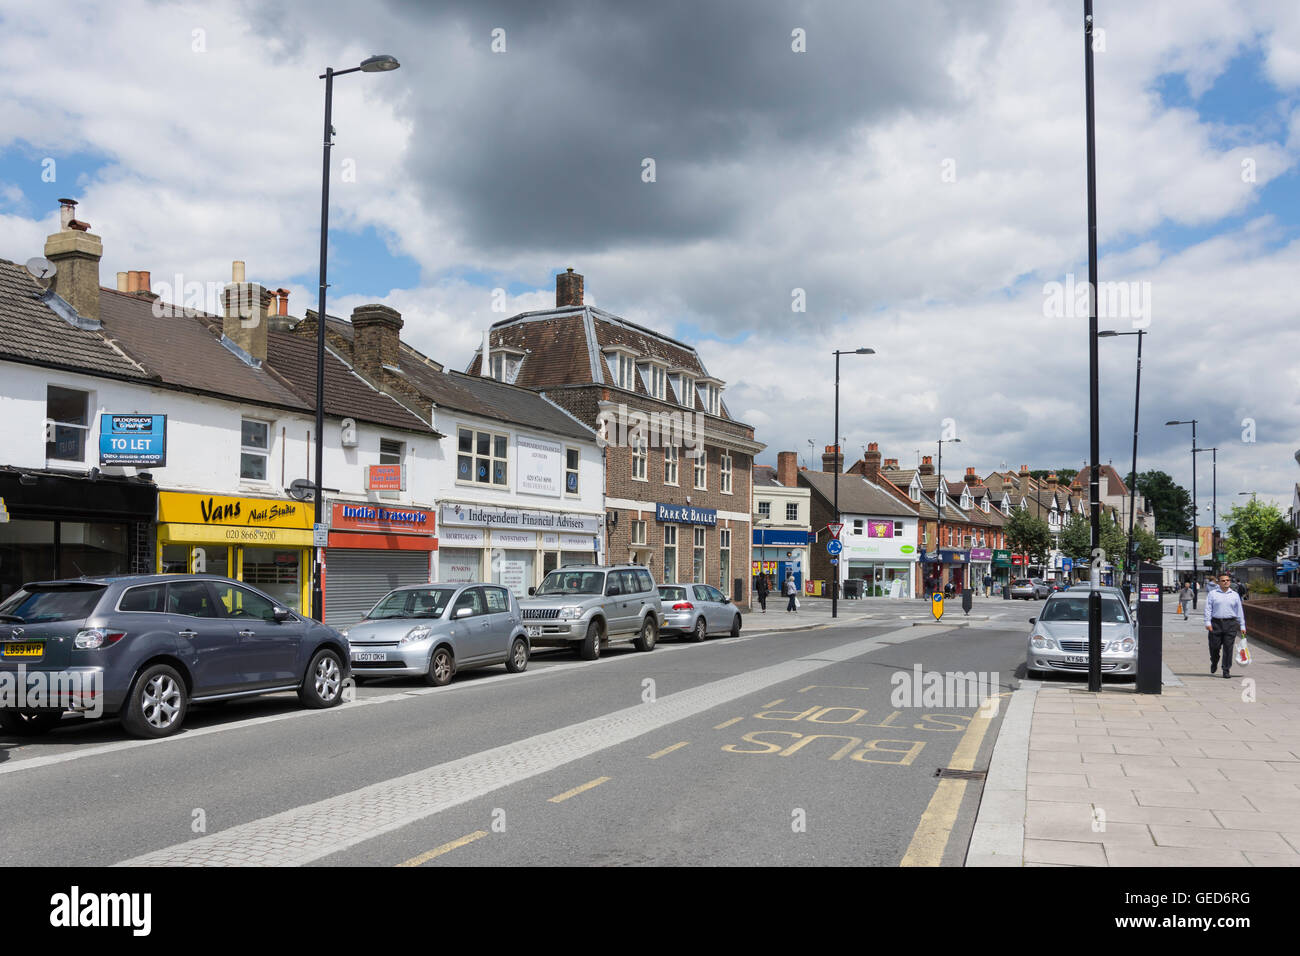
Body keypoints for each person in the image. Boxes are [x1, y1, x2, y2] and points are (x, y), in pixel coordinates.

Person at [1205, 572, 1246, 679]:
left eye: (1227, 580)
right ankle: (1214, 661)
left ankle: (1226, 669)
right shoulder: (1213, 594)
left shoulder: (1235, 595)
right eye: (1223, 580)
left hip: (1231, 624)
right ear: (1218, 582)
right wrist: (1207, 622)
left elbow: (1239, 611)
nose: (1226, 582)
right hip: (1216, 623)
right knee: (1214, 647)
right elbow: (1208, 609)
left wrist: (1242, 626)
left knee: (1228, 648)